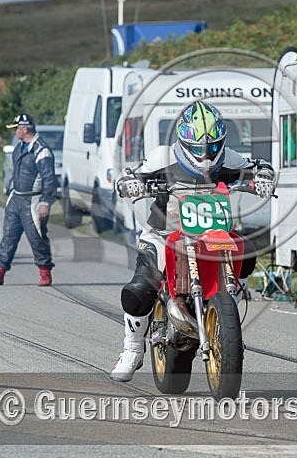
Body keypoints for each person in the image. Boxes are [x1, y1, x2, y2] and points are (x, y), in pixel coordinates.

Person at [110, 100, 275, 382]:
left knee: (246, 250)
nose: (205, 154)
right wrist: (133, 184)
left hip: (214, 233)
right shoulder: (162, 157)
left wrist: (263, 179)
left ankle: (230, 298)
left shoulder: (230, 159)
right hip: (165, 234)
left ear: (221, 141)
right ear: (184, 140)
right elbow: (127, 177)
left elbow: (261, 166)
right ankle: (133, 348)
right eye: (198, 148)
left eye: (211, 147)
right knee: (140, 289)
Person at [0, 114, 57, 287]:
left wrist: (45, 202)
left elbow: (50, 179)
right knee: (8, 236)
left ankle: (45, 273)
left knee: (36, 237)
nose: (14, 132)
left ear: (24, 129)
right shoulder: (19, 148)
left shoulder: (41, 150)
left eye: (16, 128)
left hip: (33, 199)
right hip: (16, 198)